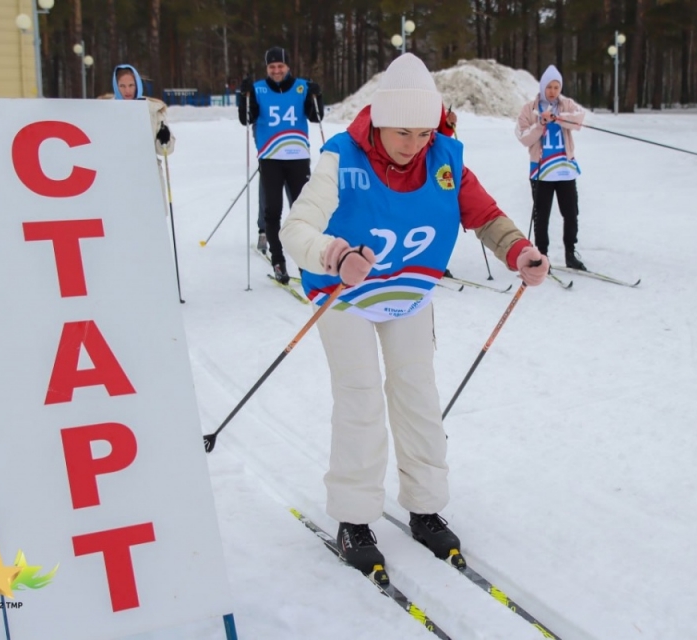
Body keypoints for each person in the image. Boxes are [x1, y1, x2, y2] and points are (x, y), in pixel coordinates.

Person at [279, 53, 549, 577]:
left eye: (423, 133)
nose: (413, 145)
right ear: (379, 121)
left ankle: (425, 507)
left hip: (407, 294)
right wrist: (334, 253)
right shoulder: (342, 156)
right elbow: (297, 229)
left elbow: (486, 216)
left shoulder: (444, 156)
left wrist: (520, 251)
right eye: (402, 133)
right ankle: (355, 517)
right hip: (346, 295)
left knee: (418, 398)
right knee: (360, 401)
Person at [237, 47, 323, 284]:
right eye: (272, 67)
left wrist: (317, 95)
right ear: (267, 68)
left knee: (301, 211)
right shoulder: (258, 89)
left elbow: (316, 117)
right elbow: (246, 119)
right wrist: (242, 97)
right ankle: (278, 261)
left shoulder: (302, 87)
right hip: (271, 158)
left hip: (297, 157)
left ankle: (306, 262)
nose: (276, 70)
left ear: (288, 66)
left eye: (280, 66)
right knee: (272, 212)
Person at [515, 64, 587, 270]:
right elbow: (523, 137)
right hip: (541, 171)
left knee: (571, 212)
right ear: (542, 87)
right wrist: (540, 123)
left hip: (565, 169)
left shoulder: (566, 104)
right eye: (549, 87)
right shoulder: (529, 108)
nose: (553, 92)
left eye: (556, 87)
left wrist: (559, 118)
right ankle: (542, 256)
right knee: (541, 215)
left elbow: (579, 120)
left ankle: (570, 253)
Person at [112, 64, 175, 215]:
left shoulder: (153, 110)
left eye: (131, 85)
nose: (127, 91)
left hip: (148, 173)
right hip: (120, 175)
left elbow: (166, 150)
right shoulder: (107, 110)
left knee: (150, 218)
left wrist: (163, 139)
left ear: (137, 85)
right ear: (116, 86)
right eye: (122, 86)